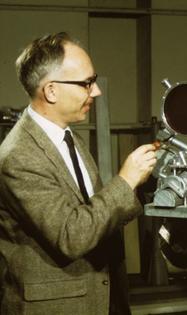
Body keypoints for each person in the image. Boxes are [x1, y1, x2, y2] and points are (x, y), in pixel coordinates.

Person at [0, 32, 157, 314]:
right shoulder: (18, 158)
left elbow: (93, 212)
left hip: (100, 297)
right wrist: (126, 180)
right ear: (51, 91)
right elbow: (72, 236)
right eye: (87, 83)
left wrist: (139, 185)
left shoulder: (68, 137)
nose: (96, 91)